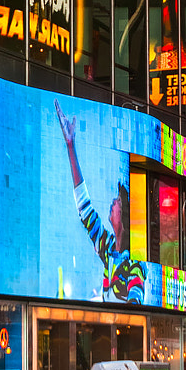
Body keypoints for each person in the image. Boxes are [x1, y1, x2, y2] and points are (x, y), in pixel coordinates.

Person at [55, 100, 143, 303]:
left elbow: (135, 301)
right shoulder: (108, 246)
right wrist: (70, 146)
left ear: (124, 215)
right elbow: (84, 208)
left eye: (118, 201)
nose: (113, 202)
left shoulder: (135, 265)